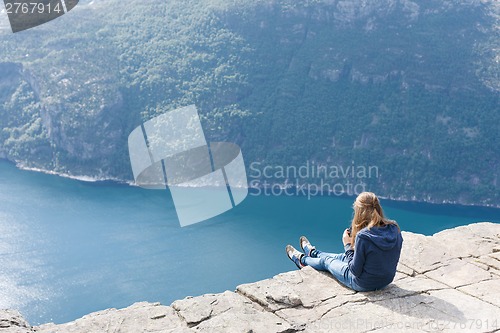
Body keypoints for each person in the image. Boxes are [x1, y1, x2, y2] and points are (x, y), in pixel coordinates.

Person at [286, 192, 403, 291]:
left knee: (327, 261)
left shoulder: (363, 236)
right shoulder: (394, 228)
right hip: (386, 280)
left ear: (359, 212)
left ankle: (302, 260)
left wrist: (347, 244)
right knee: (340, 257)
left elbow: (355, 271)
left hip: (364, 283)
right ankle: (313, 253)